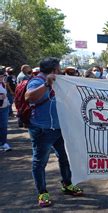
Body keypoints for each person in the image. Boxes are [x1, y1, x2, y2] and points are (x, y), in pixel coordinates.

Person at [25, 57, 83, 207]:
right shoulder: (37, 81)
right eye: (58, 68)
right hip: (42, 129)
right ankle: (42, 192)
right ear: (53, 70)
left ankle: (67, 184)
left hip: (60, 128)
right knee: (40, 162)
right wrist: (46, 84)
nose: (60, 70)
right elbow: (29, 97)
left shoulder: (60, 81)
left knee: (65, 158)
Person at [0, 67, 12, 151]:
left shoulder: (3, 83)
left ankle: (3, 143)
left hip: (4, 107)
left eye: (2, 76)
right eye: (0, 76)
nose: (2, 78)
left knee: (4, 126)